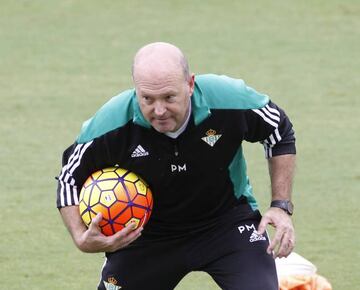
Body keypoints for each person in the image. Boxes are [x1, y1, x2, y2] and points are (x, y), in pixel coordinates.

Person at [57, 42, 296, 290]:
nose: (159, 111)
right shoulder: (112, 122)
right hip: (146, 235)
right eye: (147, 99)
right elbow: (69, 178)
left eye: (169, 97)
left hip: (227, 223)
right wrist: (80, 237)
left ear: (190, 84)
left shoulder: (230, 100)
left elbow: (279, 132)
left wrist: (280, 206)